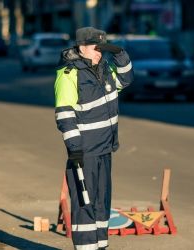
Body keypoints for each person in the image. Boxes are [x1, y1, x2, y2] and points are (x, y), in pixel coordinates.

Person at [54, 27, 133, 249]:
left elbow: (127, 79)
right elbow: (65, 115)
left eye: (102, 47)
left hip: (105, 148)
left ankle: (101, 246)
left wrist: (119, 54)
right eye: (95, 47)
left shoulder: (107, 68)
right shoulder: (69, 74)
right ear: (81, 47)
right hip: (85, 152)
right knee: (84, 205)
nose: (99, 52)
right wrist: (74, 148)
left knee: (101, 204)